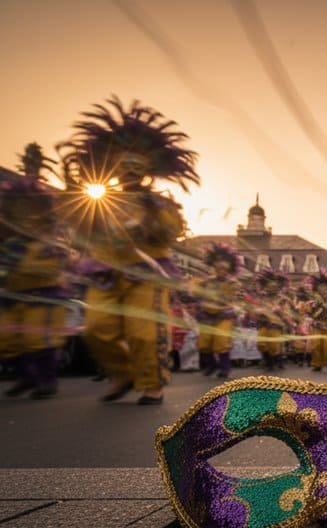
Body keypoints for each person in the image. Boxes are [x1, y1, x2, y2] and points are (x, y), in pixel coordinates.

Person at [61, 97, 197, 405]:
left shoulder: (161, 204)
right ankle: (122, 374)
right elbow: (81, 229)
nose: (131, 167)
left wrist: (148, 222)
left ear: (148, 168)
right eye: (125, 161)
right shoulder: (101, 200)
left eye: (138, 162)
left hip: (145, 276)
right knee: (96, 329)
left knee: (143, 333)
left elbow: (173, 231)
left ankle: (151, 385)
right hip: (105, 273)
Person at [0, 177, 68, 399]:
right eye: (19, 212)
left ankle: (47, 381)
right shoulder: (9, 245)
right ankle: (26, 377)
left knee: (37, 340)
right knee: (7, 341)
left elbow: (53, 267)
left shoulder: (51, 245)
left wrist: (20, 264)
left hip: (43, 298)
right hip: (12, 299)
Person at [194, 243, 241, 379]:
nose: (221, 270)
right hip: (206, 315)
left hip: (223, 315)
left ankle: (224, 369)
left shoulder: (233, 284)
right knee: (204, 342)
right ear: (213, 267)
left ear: (229, 269)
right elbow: (195, 295)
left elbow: (234, 297)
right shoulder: (205, 282)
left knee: (221, 341)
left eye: (224, 268)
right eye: (218, 268)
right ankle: (211, 364)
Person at [252, 270, 291, 372]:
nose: (272, 288)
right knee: (261, 344)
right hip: (263, 323)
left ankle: (274, 363)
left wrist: (279, 311)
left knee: (274, 346)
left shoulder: (282, 299)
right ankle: (267, 361)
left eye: (274, 286)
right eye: (270, 286)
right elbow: (254, 309)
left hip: (275, 324)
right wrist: (258, 311)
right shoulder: (261, 297)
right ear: (265, 286)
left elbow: (287, 312)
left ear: (278, 287)